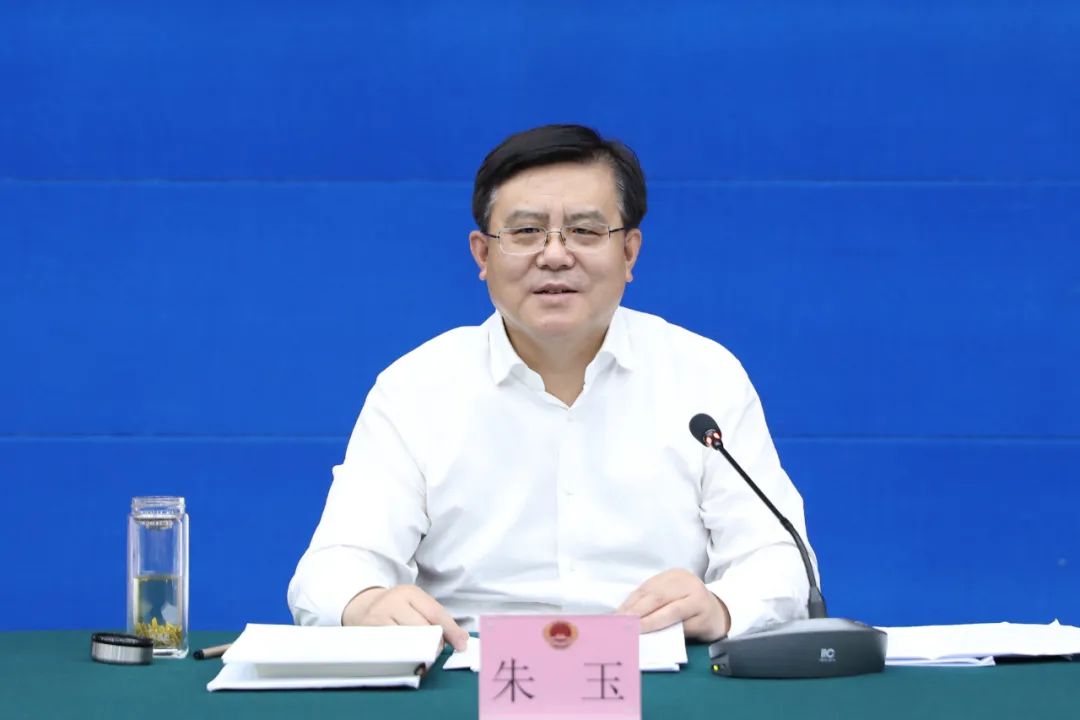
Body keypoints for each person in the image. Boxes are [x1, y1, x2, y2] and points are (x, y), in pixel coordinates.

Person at [287, 124, 816, 652]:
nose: (556, 255)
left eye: (585, 231)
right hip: (471, 669)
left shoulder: (703, 374)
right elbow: (333, 566)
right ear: (482, 255)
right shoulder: (416, 387)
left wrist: (722, 606)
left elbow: (779, 558)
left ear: (629, 253)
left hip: (661, 664)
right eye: (526, 232)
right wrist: (364, 602)